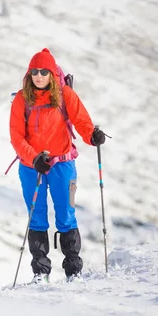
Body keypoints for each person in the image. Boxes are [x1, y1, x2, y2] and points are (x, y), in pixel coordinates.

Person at [9, 48, 106, 283]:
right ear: (29, 73)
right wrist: (34, 158)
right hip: (32, 167)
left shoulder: (64, 95)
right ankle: (40, 272)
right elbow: (16, 136)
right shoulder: (22, 99)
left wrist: (92, 135)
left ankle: (73, 270)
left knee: (66, 215)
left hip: (62, 165)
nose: (39, 76)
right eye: (34, 71)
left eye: (44, 71)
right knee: (37, 217)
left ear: (52, 74)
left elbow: (81, 120)